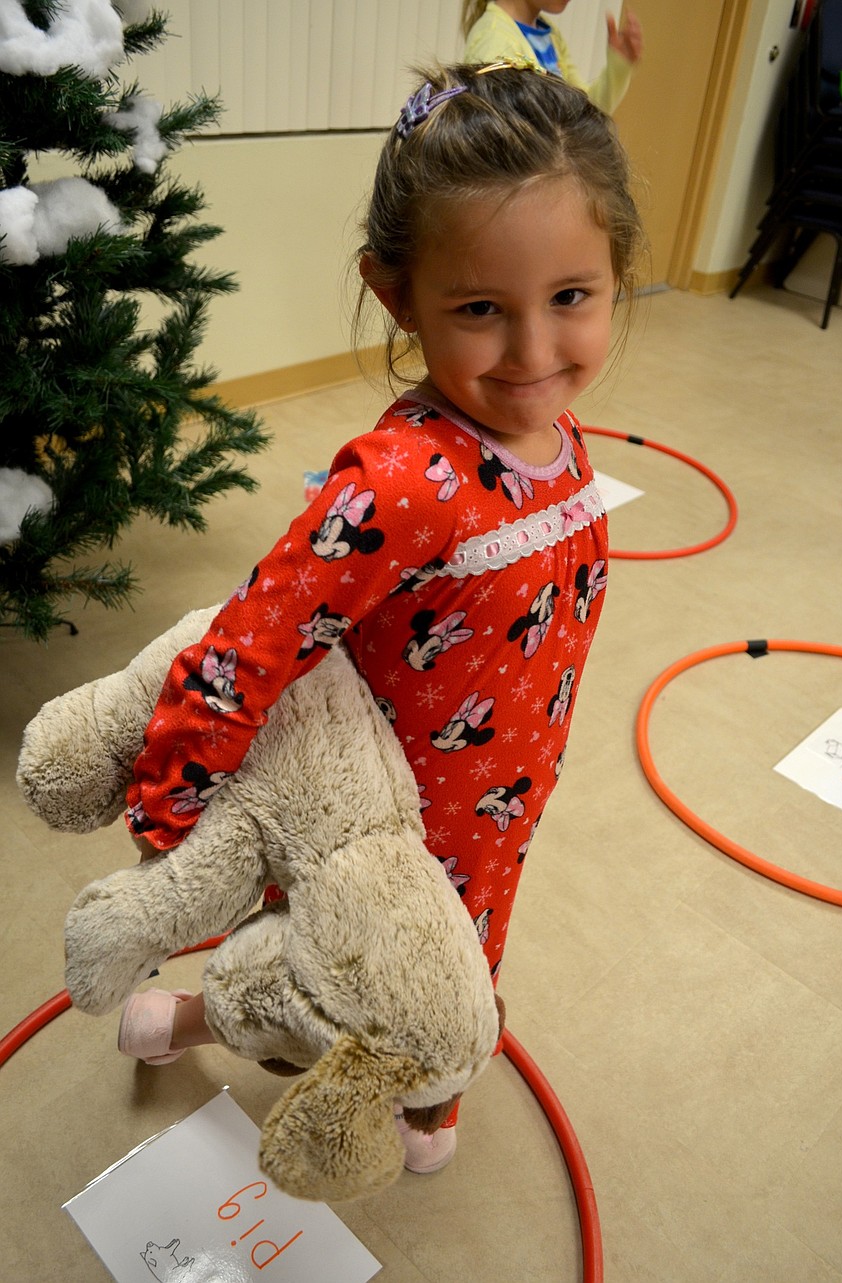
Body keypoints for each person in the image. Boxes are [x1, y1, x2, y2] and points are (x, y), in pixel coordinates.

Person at [117, 63, 643, 1176]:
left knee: (452, 958)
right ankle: (199, 1017)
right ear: (397, 295)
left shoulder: (565, 441)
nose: (536, 356)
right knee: (321, 971)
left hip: (499, 803)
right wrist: (175, 796)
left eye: (571, 298)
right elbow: (255, 633)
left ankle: (430, 1072)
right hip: (377, 818)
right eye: (479, 311)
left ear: (614, 277)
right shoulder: (402, 481)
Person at [462, 1, 643, 114]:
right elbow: (499, 136)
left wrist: (618, 68)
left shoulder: (549, 34)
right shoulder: (493, 39)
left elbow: (584, 113)